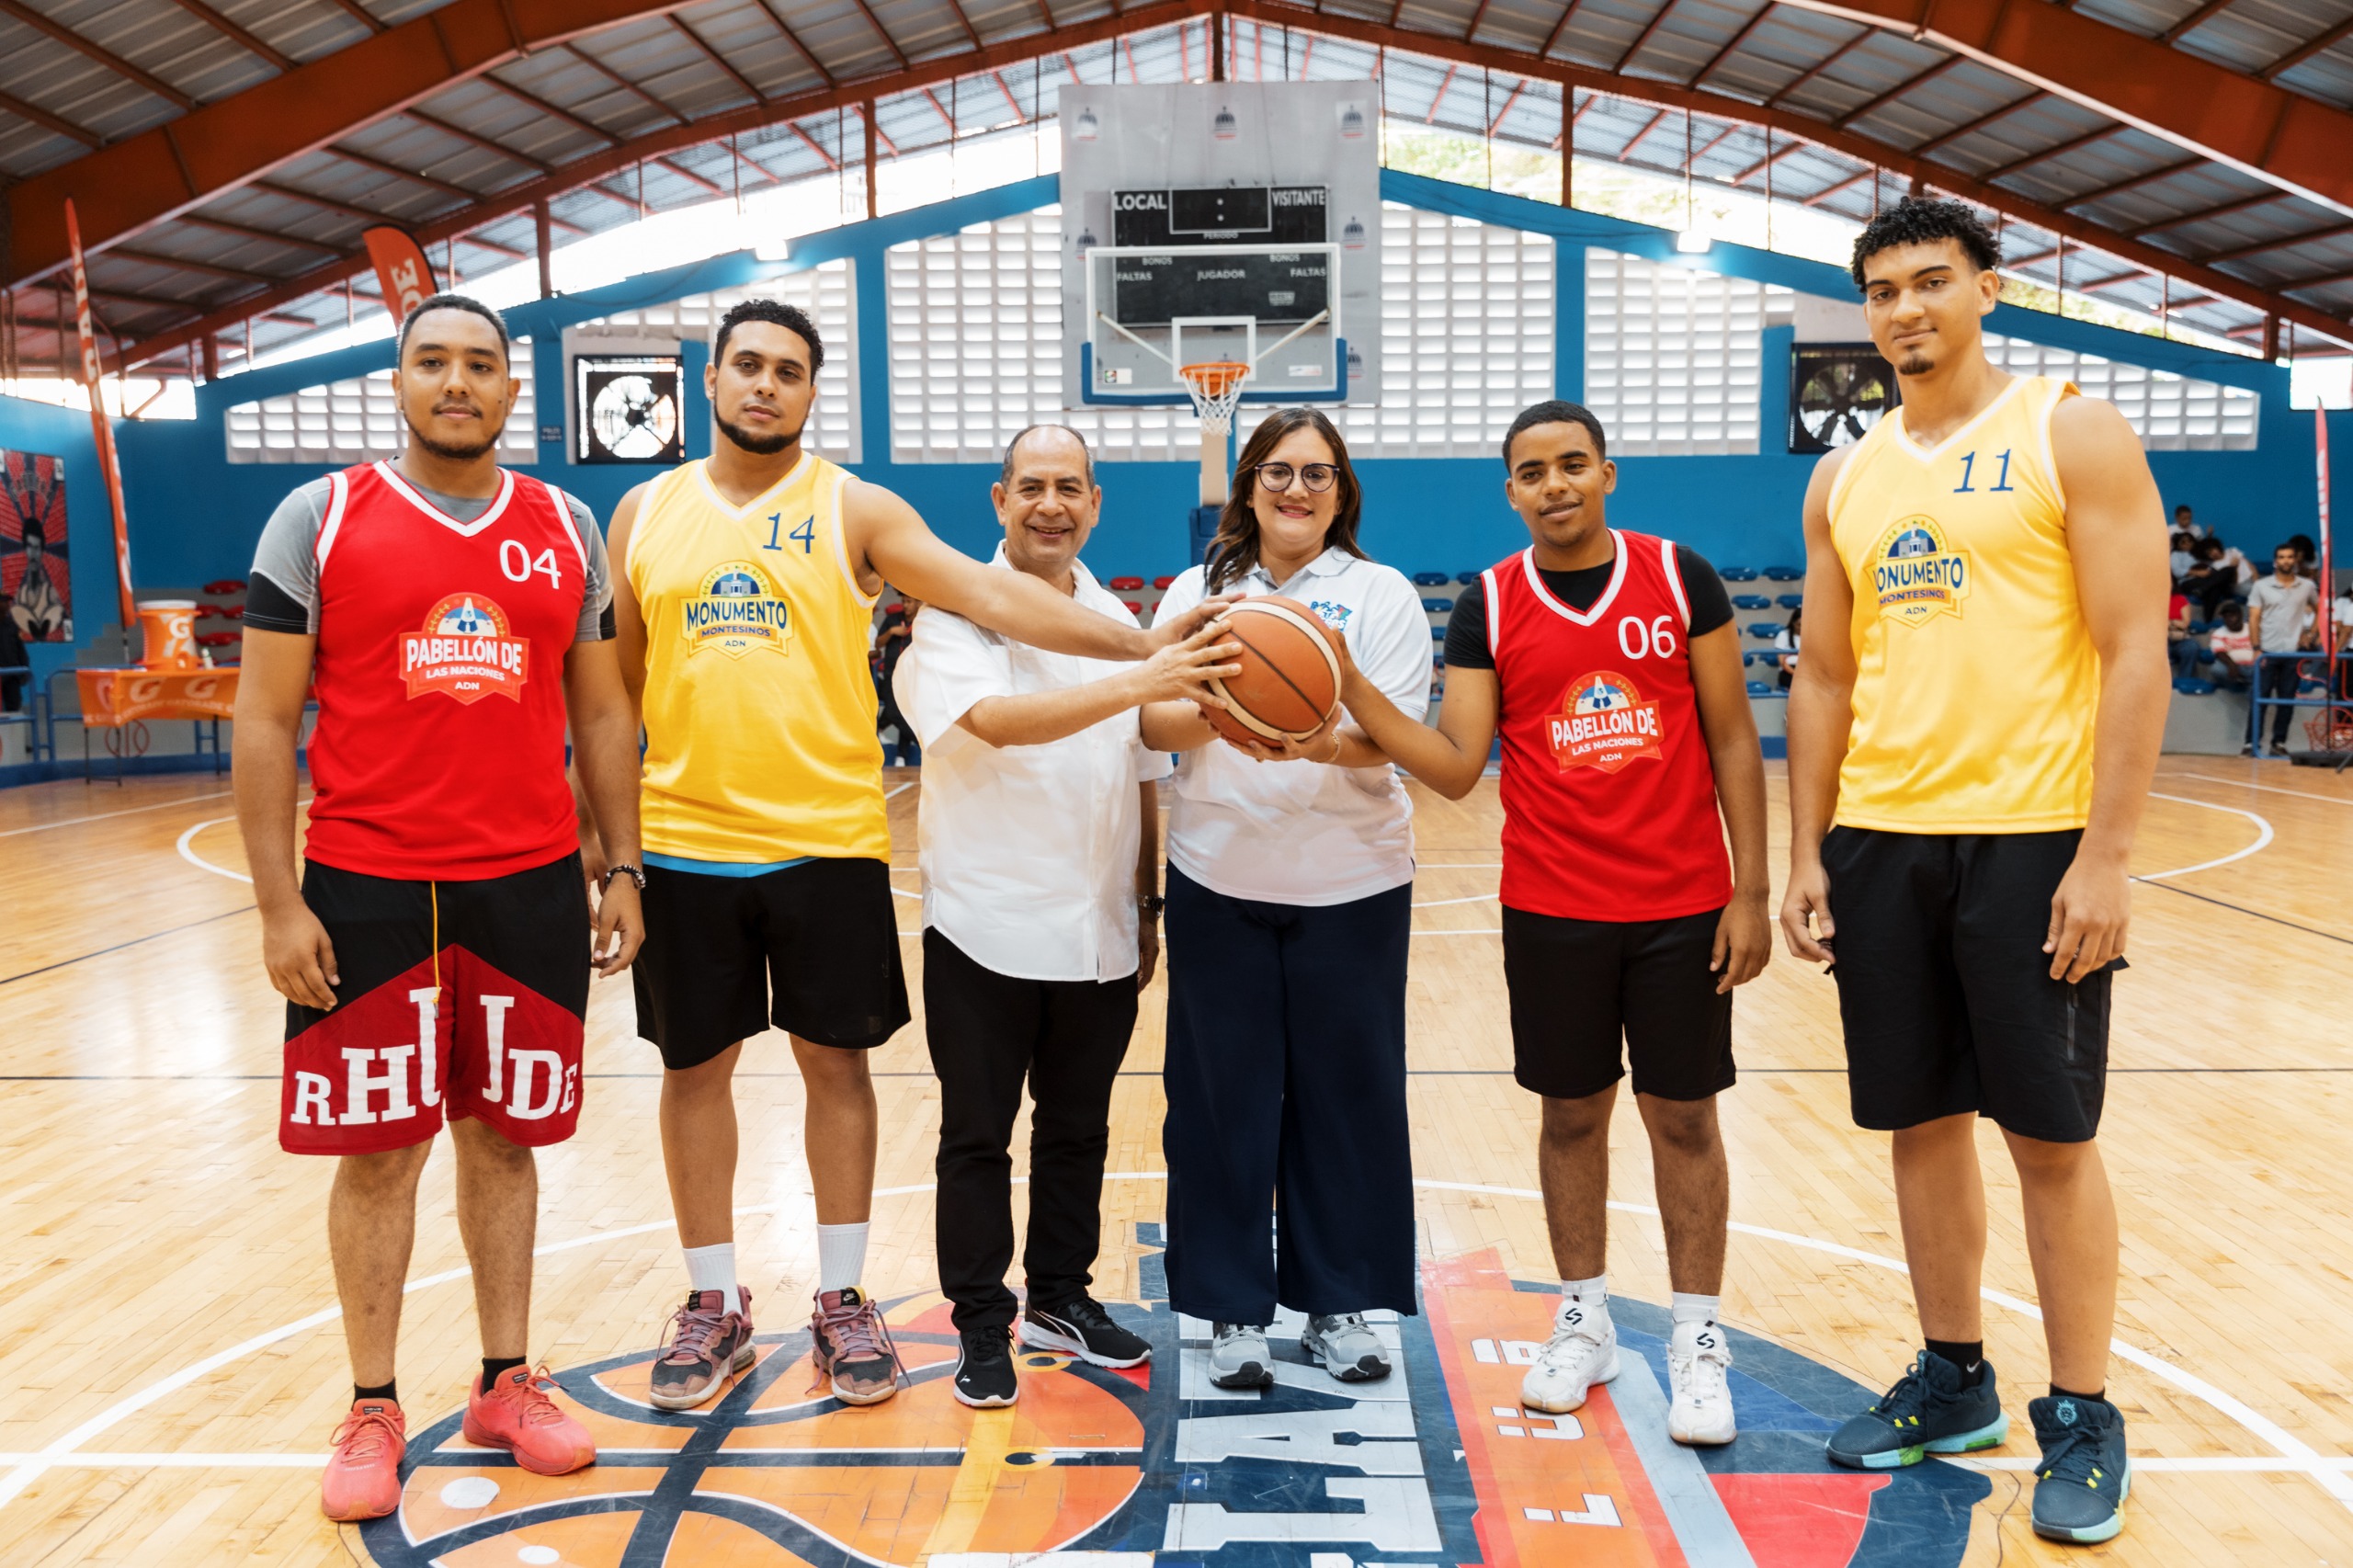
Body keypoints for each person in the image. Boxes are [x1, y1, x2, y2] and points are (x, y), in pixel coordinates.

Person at [597, 300, 1224, 1413]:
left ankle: (844, 1297)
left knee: (840, 1071)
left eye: (789, 370)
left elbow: (994, 595)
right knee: (695, 1074)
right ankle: (712, 1300)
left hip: (829, 838)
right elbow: (615, 695)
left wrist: (1146, 653)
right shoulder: (641, 512)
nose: (765, 384)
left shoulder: (857, 507)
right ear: (711, 378)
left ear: (812, 389)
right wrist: (617, 859)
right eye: (748, 365)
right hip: (689, 842)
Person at [1779, 199, 2168, 1547]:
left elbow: (2135, 649)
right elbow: (1822, 675)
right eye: (1882, 290)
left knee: (2050, 1137)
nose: (1905, 310)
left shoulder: (2071, 431)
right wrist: (1805, 850)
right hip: (1883, 837)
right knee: (1920, 1120)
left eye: (1931, 281)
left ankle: (2083, 1413)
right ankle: (1954, 1376)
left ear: (1987, 289)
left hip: (2036, 837)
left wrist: (2107, 855)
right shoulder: (1845, 477)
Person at [232, 293, 647, 1522]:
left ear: (513, 387)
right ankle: (372, 1401)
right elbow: (263, 715)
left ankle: (506, 1381)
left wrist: (622, 863)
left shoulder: (566, 525)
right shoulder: (319, 517)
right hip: (367, 883)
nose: (456, 381)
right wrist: (276, 902)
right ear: (399, 381)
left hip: (528, 880)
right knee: (380, 1150)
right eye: (432, 361)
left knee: (507, 1138)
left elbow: (603, 709)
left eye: (479, 363)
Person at [1335, 400, 1772, 1447]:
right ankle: (1585, 1319)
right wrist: (1348, 688)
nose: (1555, 485)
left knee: (1684, 1119)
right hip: (1551, 905)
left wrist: (1750, 891)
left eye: (1572, 464)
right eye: (1532, 472)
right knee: (1571, 1115)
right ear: (1511, 493)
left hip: (1681, 904)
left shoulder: (1681, 577)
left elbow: (1732, 738)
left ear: (1607, 473)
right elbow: (1455, 765)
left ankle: (1696, 1336)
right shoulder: (1487, 601)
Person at [892, 425, 1238, 1406]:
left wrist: (1148, 903)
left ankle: (1058, 1297)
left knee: (1077, 1131)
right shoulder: (956, 613)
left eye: (1070, 488)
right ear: (1000, 499)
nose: (1051, 504)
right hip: (984, 925)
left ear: (1095, 503)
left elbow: (1141, 773)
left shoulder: (1113, 617)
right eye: (1032, 486)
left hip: (1098, 929)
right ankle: (979, 1321)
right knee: (977, 1138)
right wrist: (1144, 673)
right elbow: (996, 724)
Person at [1146, 407, 1432, 1390]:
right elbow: (1152, 719)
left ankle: (1337, 1301)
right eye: (1276, 471)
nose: (1296, 489)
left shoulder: (1381, 594)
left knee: (1344, 1101)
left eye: (1316, 472)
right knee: (1219, 1102)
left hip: (1353, 880)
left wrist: (1316, 737)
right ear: (1249, 486)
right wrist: (1230, 710)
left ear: (1342, 489)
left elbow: (1393, 737)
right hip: (1217, 874)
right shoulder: (1197, 592)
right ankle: (1230, 1308)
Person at [2246, 543, 2318, 756]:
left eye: (2289, 557)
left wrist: (2310, 634)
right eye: (2281, 557)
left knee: (2287, 700)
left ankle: (2278, 743)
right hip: (2267, 651)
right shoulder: (2261, 585)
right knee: (2259, 698)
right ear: (2275, 561)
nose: (2286, 561)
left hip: (2293, 653)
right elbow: (2253, 618)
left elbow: (2321, 609)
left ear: (2295, 560)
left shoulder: (2307, 585)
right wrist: (2256, 647)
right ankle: (2250, 743)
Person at [875, 596, 922, 766]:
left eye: (909, 602)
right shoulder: (892, 620)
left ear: (918, 603)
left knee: (907, 713)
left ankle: (901, 755)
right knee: (893, 712)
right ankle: (921, 743)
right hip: (891, 673)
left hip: (914, 675)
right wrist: (891, 632)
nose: (906, 605)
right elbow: (878, 644)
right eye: (904, 602)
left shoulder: (922, 621)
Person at [2207, 601, 2255, 691]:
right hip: (2231, 666)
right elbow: (2219, 652)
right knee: (2217, 669)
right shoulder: (2218, 633)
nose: (2229, 619)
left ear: (2240, 615)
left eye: (2232, 616)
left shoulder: (2252, 629)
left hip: (2253, 666)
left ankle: (2249, 686)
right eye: (2226, 617)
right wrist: (2231, 665)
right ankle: (2236, 688)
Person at [2166, 589, 2198, 681]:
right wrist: (2176, 622)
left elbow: (2185, 624)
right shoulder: (2153, 600)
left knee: (2191, 647)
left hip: (2179, 637)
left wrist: (2170, 622)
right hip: (2161, 639)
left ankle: (2184, 680)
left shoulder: (2180, 599)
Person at [1773, 604, 1802, 689]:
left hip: (1806, 671)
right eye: (1799, 625)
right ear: (1793, 623)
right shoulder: (1783, 635)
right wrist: (1796, 674)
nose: (1801, 628)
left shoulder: (1811, 637)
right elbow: (1782, 661)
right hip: (1788, 672)